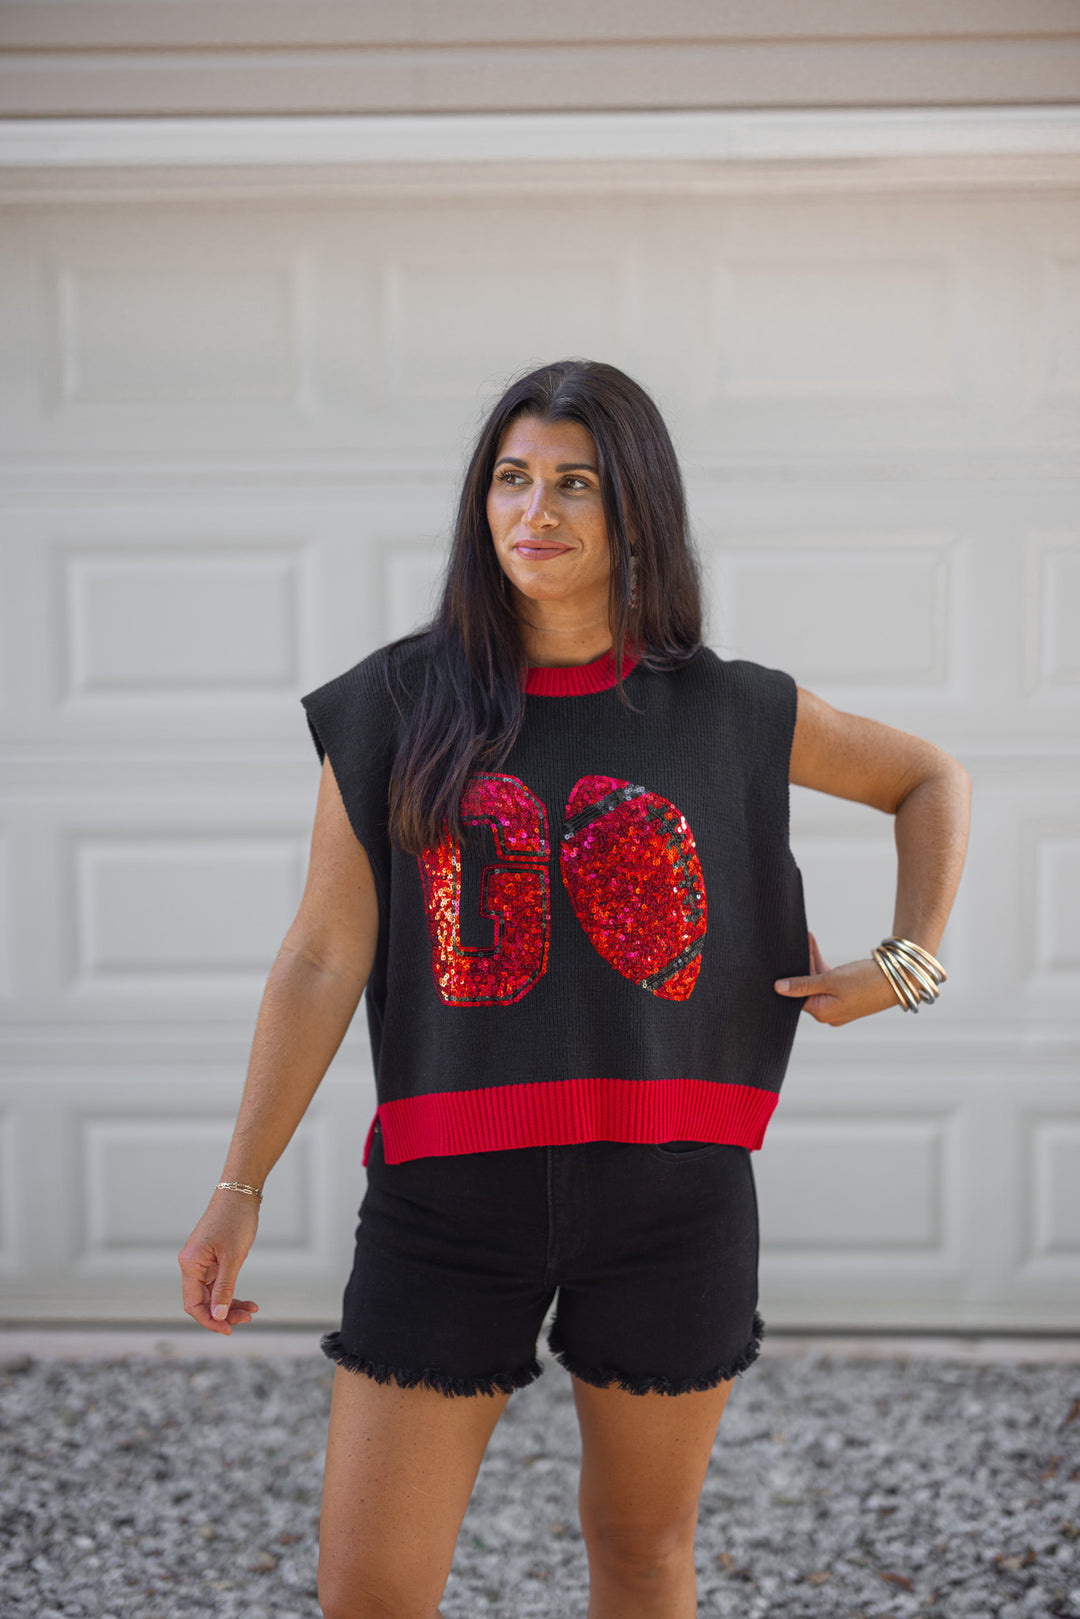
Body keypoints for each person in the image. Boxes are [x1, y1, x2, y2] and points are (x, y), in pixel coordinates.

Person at [179, 359, 970, 1619]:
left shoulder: (732, 709)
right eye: (509, 478)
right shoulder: (395, 702)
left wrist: (907, 959)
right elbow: (325, 953)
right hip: (448, 1197)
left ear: (636, 511)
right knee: (368, 1591)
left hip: (673, 1196)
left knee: (640, 1554)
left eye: (572, 483)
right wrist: (238, 1186)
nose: (531, 510)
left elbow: (929, 775)